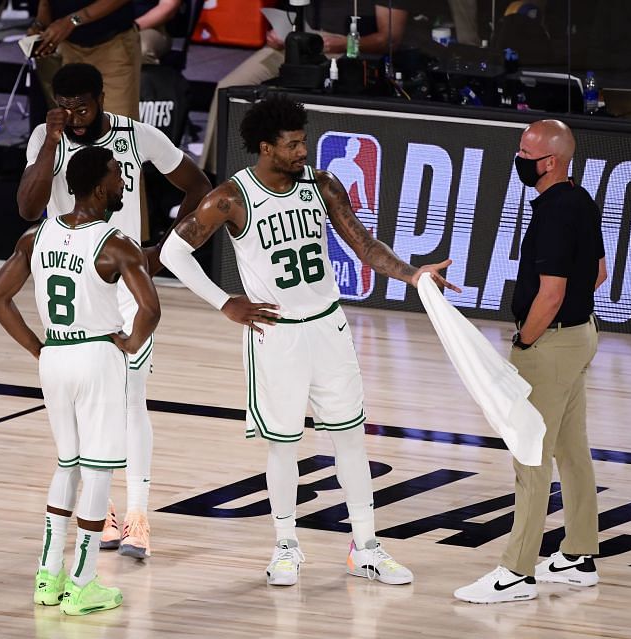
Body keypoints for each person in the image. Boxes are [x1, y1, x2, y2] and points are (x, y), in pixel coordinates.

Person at [161, 94, 459, 586]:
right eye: (294, 144)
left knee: (350, 438)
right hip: (275, 335)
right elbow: (173, 250)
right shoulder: (231, 197)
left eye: (304, 141)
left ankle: (366, 548)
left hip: (328, 325)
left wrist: (414, 275)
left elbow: (364, 245)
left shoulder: (321, 184)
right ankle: (285, 546)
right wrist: (224, 302)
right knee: (282, 446)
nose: (304, 151)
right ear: (265, 147)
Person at [18, 62, 211, 559]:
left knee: (130, 398)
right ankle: (96, 511)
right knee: (82, 403)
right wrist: (51, 143)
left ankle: (138, 515)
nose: (74, 117)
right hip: (75, 281)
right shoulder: (48, 135)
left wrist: (164, 249)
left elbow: (198, 184)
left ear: (102, 97)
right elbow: (26, 206)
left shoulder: (136, 135)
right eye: (65, 107)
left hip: (121, 280)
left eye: (82, 107)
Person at [0, 146, 160, 615]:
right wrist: (131, 342)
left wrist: (36, 347)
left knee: (67, 465)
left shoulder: (35, 236)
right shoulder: (116, 243)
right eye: (118, 175)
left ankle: (47, 576)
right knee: (99, 470)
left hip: (55, 357)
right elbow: (150, 308)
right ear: (100, 185)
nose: (124, 182)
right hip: (96, 354)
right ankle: (82, 583)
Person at [455, 120, 606, 604]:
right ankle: (579, 555)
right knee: (571, 449)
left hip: (552, 345)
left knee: (530, 457)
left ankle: (516, 572)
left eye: (525, 151)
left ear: (551, 162)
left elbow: (552, 293)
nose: (518, 158)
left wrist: (525, 341)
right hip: (582, 337)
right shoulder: (579, 199)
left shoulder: (554, 213)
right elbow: (599, 273)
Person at [198, 0, 413, 176]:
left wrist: (341, 43)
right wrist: (278, 34)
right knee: (228, 87)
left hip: (343, 50)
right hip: (297, 42)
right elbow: (292, 12)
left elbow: (389, 39)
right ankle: (212, 178)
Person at [30, 0, 141, 120]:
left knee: (116, 127)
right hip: (63, 43)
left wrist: (73, 20)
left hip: (110, 43)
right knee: (69, 126)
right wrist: (41, 22)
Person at [134, 0, 181, 65]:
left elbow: (168, 7)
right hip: (118, 23)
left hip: (152, 26)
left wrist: (133, 27)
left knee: (138, 49)